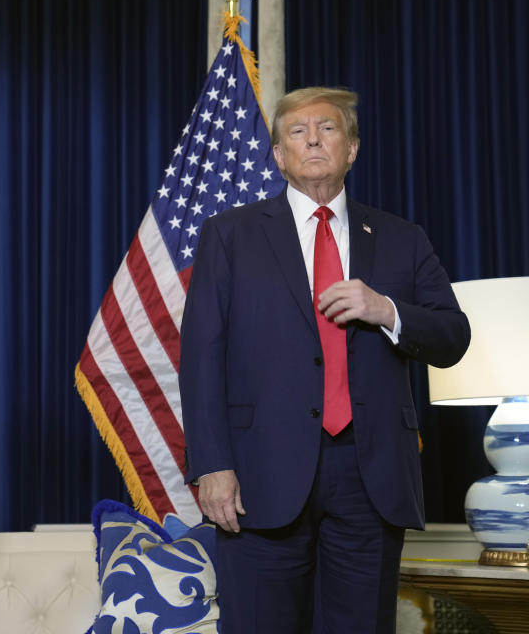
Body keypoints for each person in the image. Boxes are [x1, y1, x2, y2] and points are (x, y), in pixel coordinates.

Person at [178, 87, 470, 633]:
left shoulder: (402, 239)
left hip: (371, 476)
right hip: (260, 476)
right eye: (297, 131)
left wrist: (385, 310)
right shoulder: (229, 235)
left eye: (328, 128)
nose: (313, 139)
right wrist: (212, 465)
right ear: (280, 155)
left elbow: (453, 336)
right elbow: (200, 356)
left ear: (352, 149)